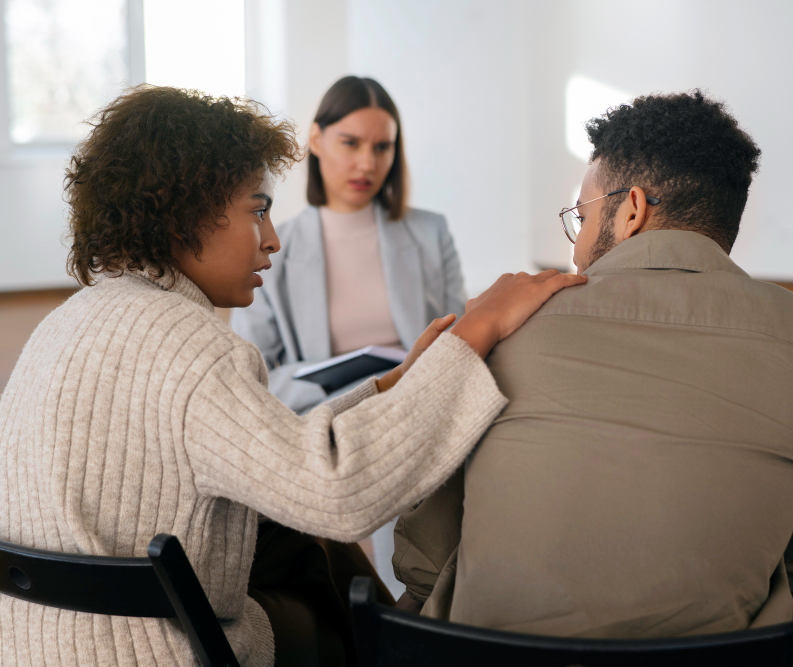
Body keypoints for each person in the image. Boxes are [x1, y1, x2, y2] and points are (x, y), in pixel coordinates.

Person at [0, 86, 585, 667]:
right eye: (257, 210)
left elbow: (275, 453)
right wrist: (473, 333)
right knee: (323, 565)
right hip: (163, 653)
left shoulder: (65, 322)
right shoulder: (190, 343)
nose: (272, 238)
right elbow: (340, 495)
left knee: (301, 549)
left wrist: (398, 382)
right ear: (185, 216)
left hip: (32, 646)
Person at [392, 91, 793, 667]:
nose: (579, 245)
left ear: (631, 209)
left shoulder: (504, 323)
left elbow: (421, 556)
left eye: (582, 218)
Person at [230, 76, 465, 595]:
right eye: (351, 143)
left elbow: (460, 340)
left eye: (383, 146)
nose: (367, 163)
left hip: (418, 415)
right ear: (316, 141)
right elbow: (253, 375)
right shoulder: (273, 244)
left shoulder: (430, 233)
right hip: (331, 426)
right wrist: (354, 384)